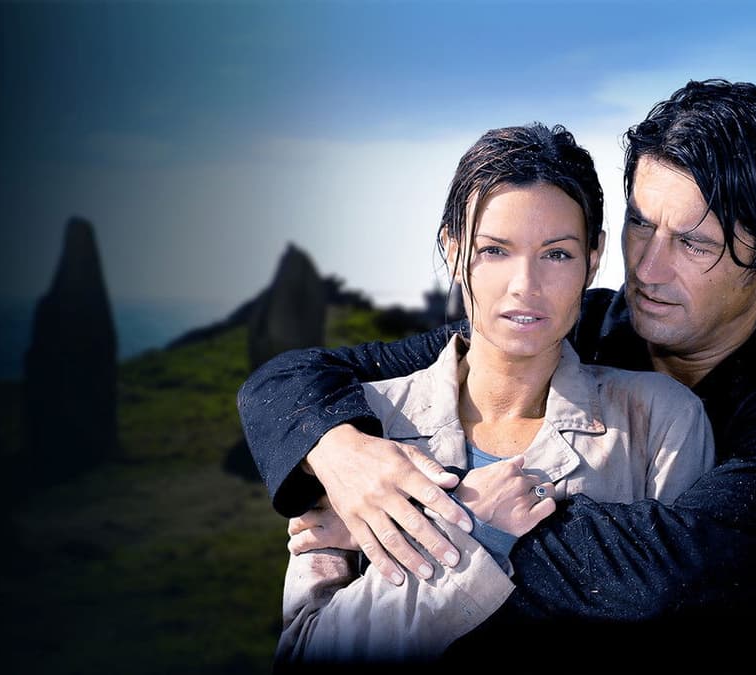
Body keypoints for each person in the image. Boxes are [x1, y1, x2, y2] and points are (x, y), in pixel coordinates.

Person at [239, 79, 756, 673]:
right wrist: (338, 450)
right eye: (641, 224)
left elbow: (670, 574)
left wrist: (428, 519)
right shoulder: (578, 321)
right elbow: (296, 378)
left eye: (695, 243)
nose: (648, 269)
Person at [270, 122, 715, 667]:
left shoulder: (660, 420)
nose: (524, 285)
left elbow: (681, 635)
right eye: (495, 250)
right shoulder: (357, 433)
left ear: (594, 257)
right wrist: (474, 527)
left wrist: (445, 528)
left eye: (557, 254)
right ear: (453, 249)